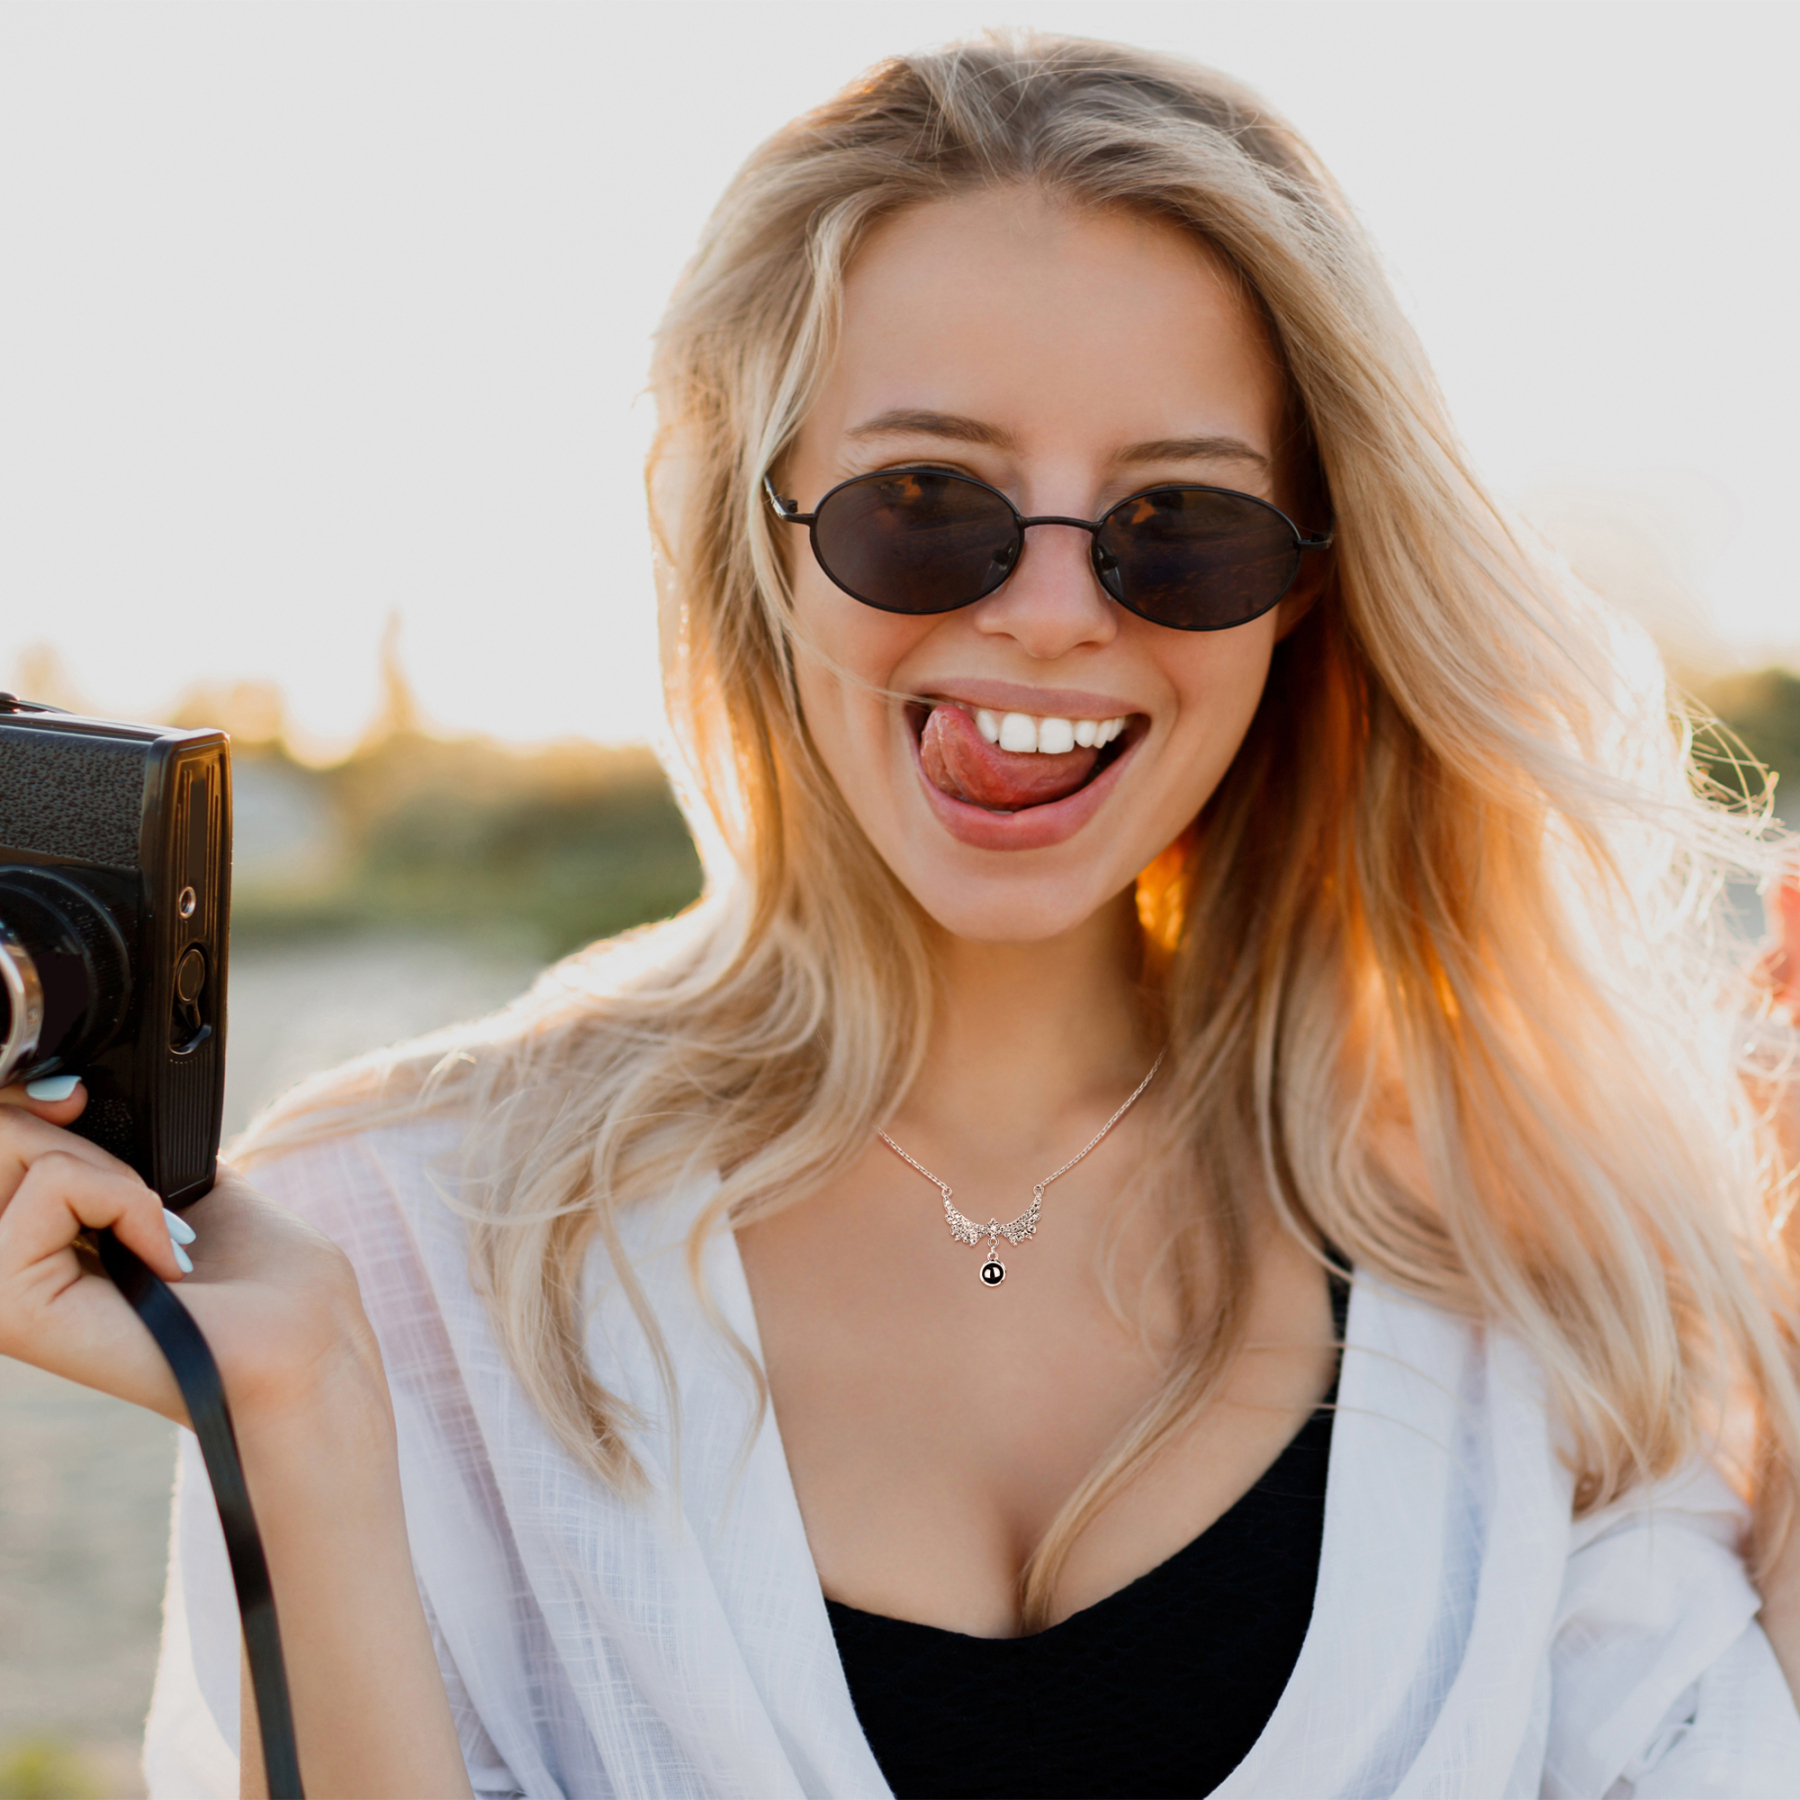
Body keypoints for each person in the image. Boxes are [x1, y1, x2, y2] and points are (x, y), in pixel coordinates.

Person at [3, 32, 1799, 1799]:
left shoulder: (1543, 1264)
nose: (1047, 611)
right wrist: (300, 1433)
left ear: (1308, 601)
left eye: (1181, 525)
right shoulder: (378, 1257)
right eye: (926, 503)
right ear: (758, 534)